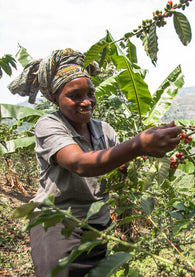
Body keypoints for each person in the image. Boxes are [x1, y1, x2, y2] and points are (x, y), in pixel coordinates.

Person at [8, 48, 182, 277]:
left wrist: (138, 160)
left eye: (90, 93)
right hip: (58, 225)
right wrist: (139, 144)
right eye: (75, 95)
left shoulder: (104, 130)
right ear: (55, 98)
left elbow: (113, 166)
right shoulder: (48, 124)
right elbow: (80, 163)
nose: (86, 102)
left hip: (97, 225)